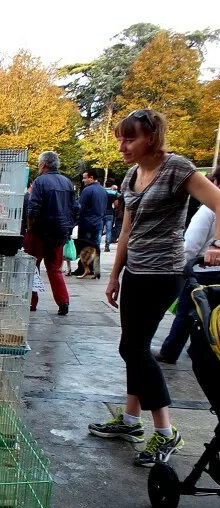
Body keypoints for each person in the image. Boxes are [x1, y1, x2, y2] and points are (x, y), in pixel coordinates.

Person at [89, 109, 220, 467]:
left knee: (133, 347)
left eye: (129, 138)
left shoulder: (177, 168)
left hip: (164, 274)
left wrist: (217, 246)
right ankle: (131, 421)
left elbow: (218, 201)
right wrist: (114, 275)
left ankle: (166, 433)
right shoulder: (133, 174)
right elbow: (127, 232)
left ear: (151, 137)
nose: (122, 145)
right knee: (134, 346)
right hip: (135, 272)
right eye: (120, 137)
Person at [154, 165, 220, 364]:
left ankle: (170, 350)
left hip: (203, 271)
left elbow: (191, 244)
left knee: (187, 312)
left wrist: (181, 267)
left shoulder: (208, 210)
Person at [26, 151, 78, 315]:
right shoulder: (67, 182)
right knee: (55, 269)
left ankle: (31, 302)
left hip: (40, 232)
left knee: (32, 268)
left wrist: (30, 227)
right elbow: (75, 208)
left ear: (43, 165)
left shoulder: (40, 182)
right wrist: (68, 228)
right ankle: (63, 302)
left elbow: (33, 208)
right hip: (60, 233)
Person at [71, 170, 107, 277]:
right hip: (98, 223)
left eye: (84, 178)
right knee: (95, 247)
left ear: (91, 178)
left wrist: (74, 221)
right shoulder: (103, 191)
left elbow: (79, 207)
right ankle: (94, 269)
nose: (83, 180)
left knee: (84, 247)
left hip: (86, 223)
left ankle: (83, 268)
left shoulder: (87, 190)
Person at [103, 178, 119, 252]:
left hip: (101, 212)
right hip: (110, 212)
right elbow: (116, 205)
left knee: (100, 229)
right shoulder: (114, 193)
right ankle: (107, 246)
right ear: (112, 185)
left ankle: (96, 244)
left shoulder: (101, 191)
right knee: (109, 230)